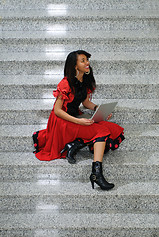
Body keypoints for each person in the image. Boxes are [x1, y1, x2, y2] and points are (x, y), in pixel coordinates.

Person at [32, 50, 125, 190]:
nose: (87, 63)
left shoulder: (85, 81)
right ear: (75, 66)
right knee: (101, 131)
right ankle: (96, 174)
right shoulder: (65, 84)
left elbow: (86, 103)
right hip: (62, 121)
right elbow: (57, 111)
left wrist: (98, 109)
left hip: (75, 117)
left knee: (113, 128)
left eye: (87, 60)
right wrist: (79, 122)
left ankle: (76, 144)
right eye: (83, 60)